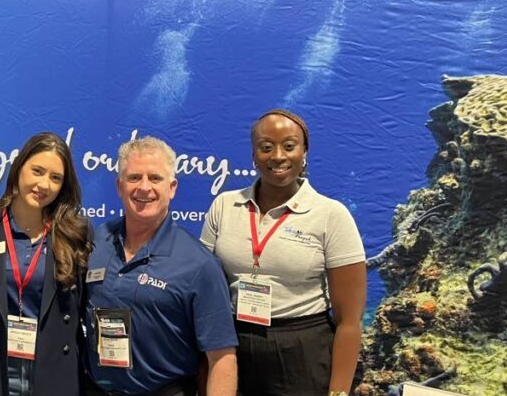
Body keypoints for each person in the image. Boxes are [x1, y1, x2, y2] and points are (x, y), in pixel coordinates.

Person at [200, 108, 367, 396]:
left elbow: (349, 321)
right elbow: (201, 287)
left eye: (289, 146)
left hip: (300, 349)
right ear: (254, 155)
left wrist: (339, 392)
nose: (278, 156)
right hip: (232, 344)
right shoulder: (224, 206)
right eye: (266, 147)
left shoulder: (330, 215)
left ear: (304, 152)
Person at [84, 136, 238, 396]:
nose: (144, 188)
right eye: (134, 178)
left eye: (155, 178)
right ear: (119, 187)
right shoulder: (97, 242)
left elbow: (222, 358)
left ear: (172, 187)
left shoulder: (199, 265)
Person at [0, 132, 92, 396]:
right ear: (19, 168)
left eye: (56, 178)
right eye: (37, 171)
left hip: (52, 372)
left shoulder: (75, 231)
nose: (44, 184)